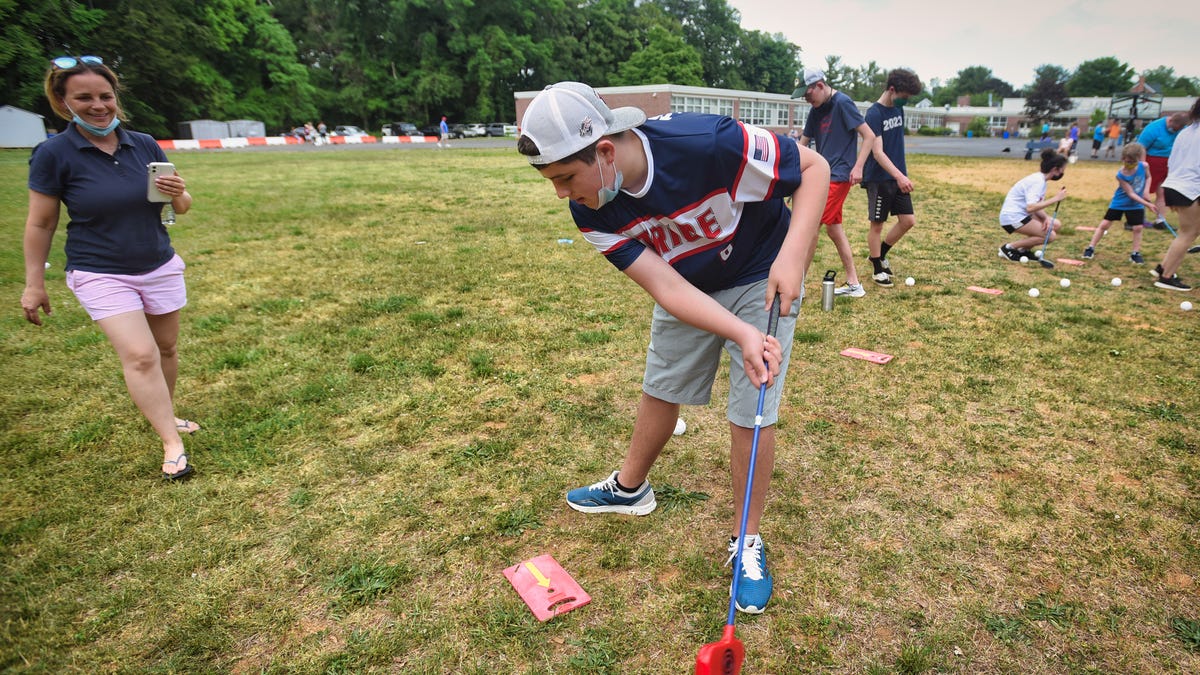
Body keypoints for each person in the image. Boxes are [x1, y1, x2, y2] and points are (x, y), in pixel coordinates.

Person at [516, 82, 829, 614]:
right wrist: (736, 330)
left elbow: (815, 169)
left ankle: (746, 540)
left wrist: (794, 257)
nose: (562, 194)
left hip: (760, 269)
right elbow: (666, 288)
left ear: (606, 151)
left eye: (567, 178)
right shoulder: (591, 211)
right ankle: (631, 488)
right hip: (688, 282)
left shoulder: (709, 142)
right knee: (661, 385)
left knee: (751, 406)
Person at [21, 55, 199, 480]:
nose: (98, 105)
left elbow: (181, 207)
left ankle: (167, 413)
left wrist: (179, 192)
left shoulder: (143, 143)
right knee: (140, 355)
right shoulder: (53, 153)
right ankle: (171, 443)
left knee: (167, 349)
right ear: (63, 103)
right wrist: (33, 283)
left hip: (157, 262)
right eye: (84, 97)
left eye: (105, 96)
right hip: (98, 269)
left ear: (116, 97)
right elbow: (41, 221)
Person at [793, 67, 876, 298]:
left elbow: (868, 136)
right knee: (834, 229)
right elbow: (803, 143)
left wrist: (858, 166)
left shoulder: (843, 103)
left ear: (820, 85)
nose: (807, 100)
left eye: (808, 94)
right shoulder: (816, 110)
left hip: (839, 175)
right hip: (821, 175)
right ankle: (854, 284)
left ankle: (797, 285)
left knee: (811, 226)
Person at [861, 68, 923, 287]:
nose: (905, 102)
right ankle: (878, 268)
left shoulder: (898, 111)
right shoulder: (874, 114)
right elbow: (877, 153)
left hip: (897, 175)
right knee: (877, 224)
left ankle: (879, 254)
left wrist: (900, 174)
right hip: (879, 178)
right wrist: (899, 176)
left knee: (908, 221)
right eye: (904, 97)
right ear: (892, 89)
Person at [1152, 97, 1200, 291]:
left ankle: (1163, 267)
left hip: (1175, 184)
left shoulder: (1186, 131)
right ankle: (1166, 277)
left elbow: (1172, 161)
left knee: (1187, 232)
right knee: (1188, 234)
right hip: (1190, 188)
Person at [1081, 143, 1157, 264]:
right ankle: (1090, 247)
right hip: (1120, 202)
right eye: (1127, 161)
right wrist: (1147, 204)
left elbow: (1148, 178)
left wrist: (1146, 191)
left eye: (1132, 161)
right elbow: (1130, 193)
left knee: (1138, 227)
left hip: (1136, 204)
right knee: (1105, 225)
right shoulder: (1121, 174)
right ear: (1123, 159)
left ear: (1138, 159)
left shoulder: (1144, 166)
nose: (1129, 164)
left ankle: (1135, 253)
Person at [998, 149, 1068, 262]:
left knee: (1055, 224)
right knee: (1050, 236)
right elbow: (1030, 207)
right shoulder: (1038, 182)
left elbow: (1036, 205)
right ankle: (1009, 248)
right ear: (1055, 169)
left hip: (1021, 215)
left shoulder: (1041, 180)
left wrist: (1045, 218)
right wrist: (1056, 199)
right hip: (1013, 218)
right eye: (1062, 170)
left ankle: (1023, 250)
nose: (1062, 174)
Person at [1138, 112, 1189, 229]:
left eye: (1179, 130)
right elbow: (1141, 147)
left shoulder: (1183, 129)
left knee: (1162, 192)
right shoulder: (1153, 128)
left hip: (1169, 163)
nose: (1175, 131)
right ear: (1170, 121)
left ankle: (1160, 220)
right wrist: (1143, 166)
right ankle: (1139, 218)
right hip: (1151, 162)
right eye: (1174, 129)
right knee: (1143, 191)